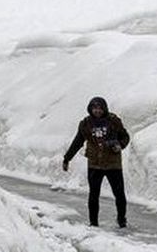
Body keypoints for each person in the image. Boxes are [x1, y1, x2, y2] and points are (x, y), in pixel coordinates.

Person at [62, 96, 129, 228]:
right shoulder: (86, 124)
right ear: (90, 109)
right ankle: (93, 223)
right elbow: (77, 142)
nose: (97, 111)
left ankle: (122, 220)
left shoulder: (114, 121)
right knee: (93, 195)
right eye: (94, 108)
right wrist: (67, 158)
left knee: (119, 194)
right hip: (94, 164)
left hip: (113, 164)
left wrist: (120, 145)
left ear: (104, 109)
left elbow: (125, 136)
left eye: (100, 108)